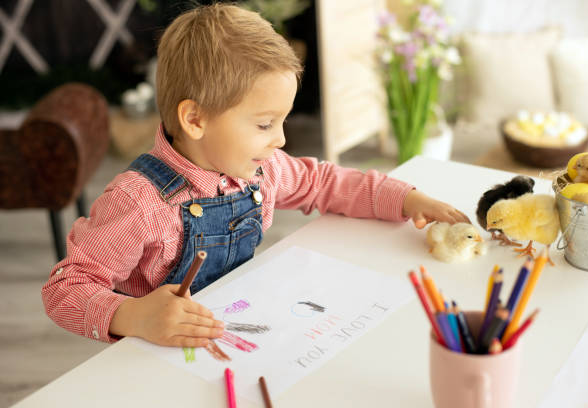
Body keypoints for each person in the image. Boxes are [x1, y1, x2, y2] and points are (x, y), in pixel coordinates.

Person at [42, 4, 469, 348]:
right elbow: (65, 290)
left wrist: (406, 198)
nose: (280, 140)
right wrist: (130, 315)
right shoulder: (138, 203)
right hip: (157, 358)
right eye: (265, 124)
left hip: (238, 335)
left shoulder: (259, 172)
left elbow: (324, 183)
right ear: (194, 119)